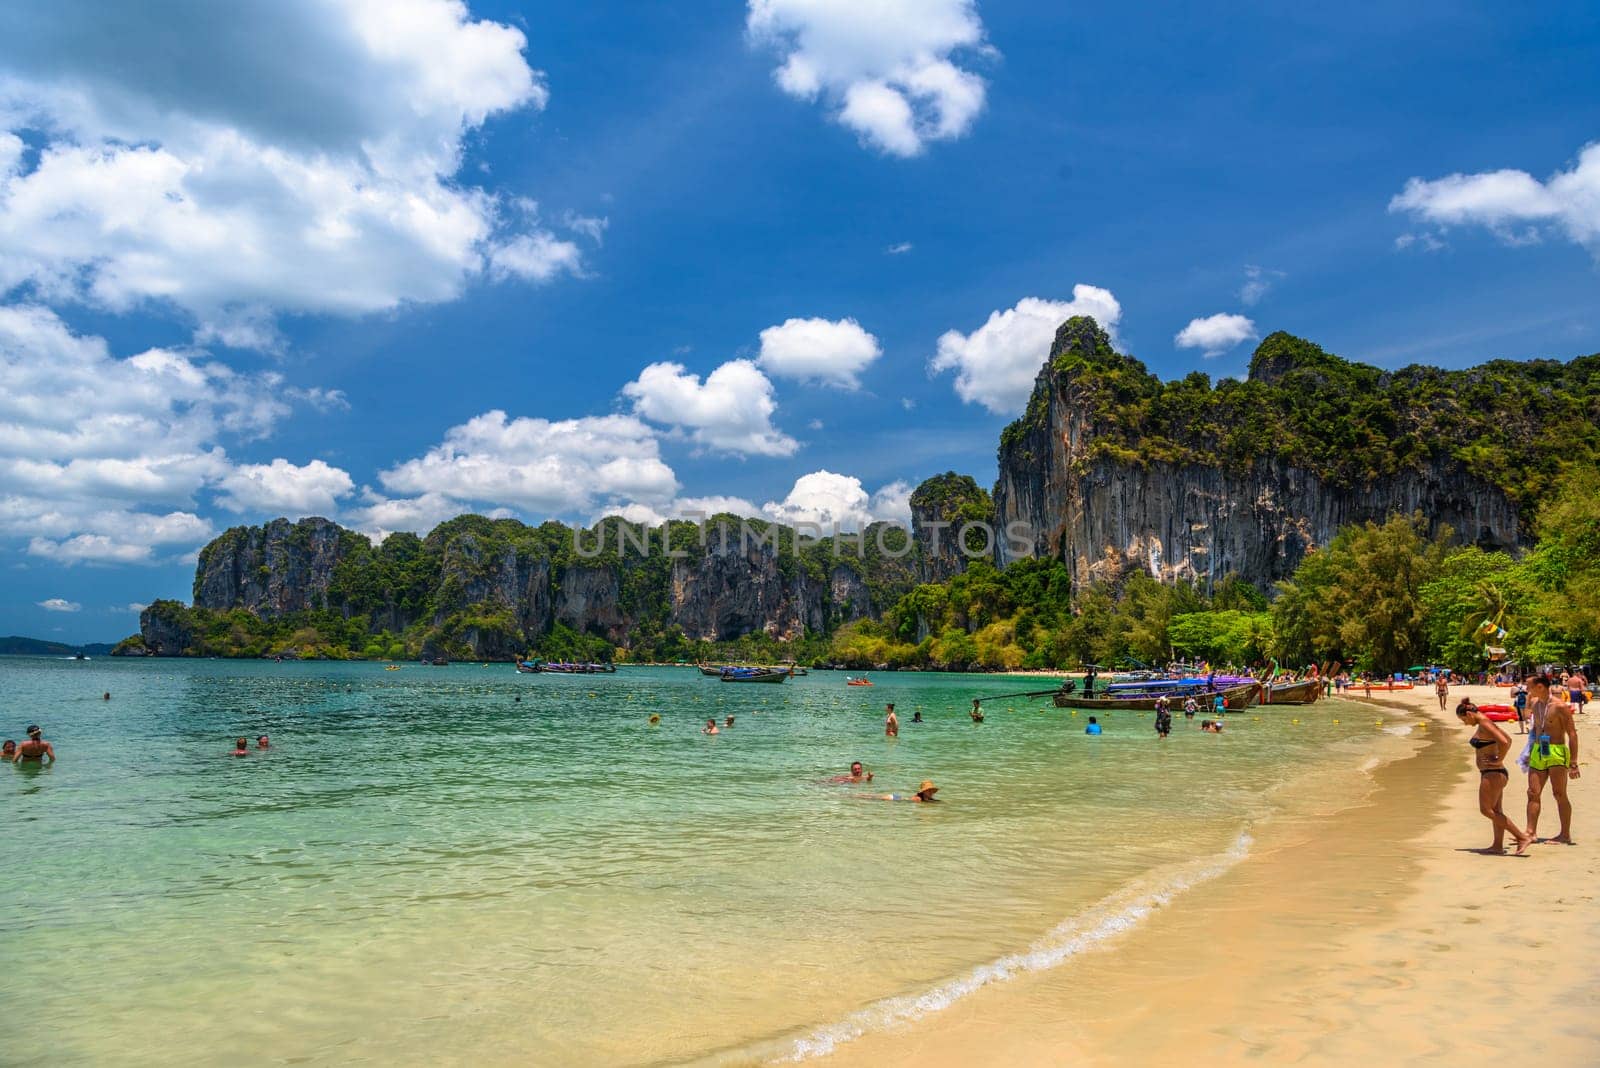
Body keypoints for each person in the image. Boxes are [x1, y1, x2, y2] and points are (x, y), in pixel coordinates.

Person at [1455, 699, 1533, 855]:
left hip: (1493, 774)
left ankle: (1521, 837)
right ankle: (1497, 846)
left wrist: (1499, 759)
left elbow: (1505, 742)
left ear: (1469, 714)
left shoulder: (1484, 724)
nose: (1465, 723)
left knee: (1486, 810)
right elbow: (1508, 739)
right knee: (1496, 810)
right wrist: (1498, 758)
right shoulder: (1486, 723)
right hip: (1494, 774)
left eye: (1464, 719)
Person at [1525, 676, 1579, 843]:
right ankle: (1530, 832)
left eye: (1529, 687)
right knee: (1533, 792)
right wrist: (1527, 752)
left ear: (1540, 687)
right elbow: (1534, 727)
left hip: (1556, 750)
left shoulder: (1560, 706)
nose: (1527, 690)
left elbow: (1572, 733)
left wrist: (1574, 762)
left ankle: (1565, 834)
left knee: (1559, 793)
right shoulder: (1535, 703)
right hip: (1539, 749)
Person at [868, 781, 940, 802]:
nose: (931, 792)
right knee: (871, 798)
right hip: (893, 799)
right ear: (923, 791)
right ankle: (857, 796)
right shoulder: (918, 799)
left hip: (896, 797)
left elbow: (933, 801)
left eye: (931, 790)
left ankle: (860, 795)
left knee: (873, 797)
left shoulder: (925, 798)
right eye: (928, 790)